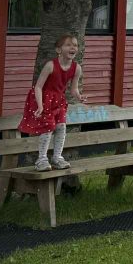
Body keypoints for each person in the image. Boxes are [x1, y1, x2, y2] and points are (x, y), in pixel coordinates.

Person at [18, 33, 88, 172]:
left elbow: (73, 89)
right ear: (58, 50)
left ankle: (57, 158)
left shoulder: (76, 68)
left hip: (59, 101)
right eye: (68, 45)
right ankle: (41, 160)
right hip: (44, 100)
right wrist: (40, 105)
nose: (73, 47)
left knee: (61, 127)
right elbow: (38, 87)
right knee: (48, 128)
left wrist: (79, 97)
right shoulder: (50, 65)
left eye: (75, 45)